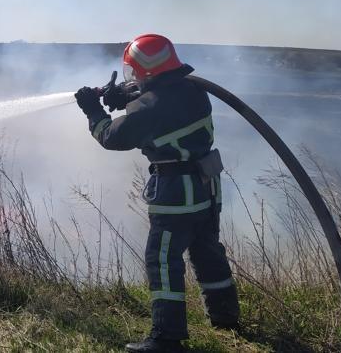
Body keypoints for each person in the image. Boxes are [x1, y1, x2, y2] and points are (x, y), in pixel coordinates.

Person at [74, 34, 240, 353]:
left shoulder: (150, 107)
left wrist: (93, 110)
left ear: (145, 71)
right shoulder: (193, 90)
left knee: (162, 260)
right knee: (207, 251)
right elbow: (160, 97)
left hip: (177, 194)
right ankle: (225, 316)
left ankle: (166, 337)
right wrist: (124, 95)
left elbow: (111, 136)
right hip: (206, 188)